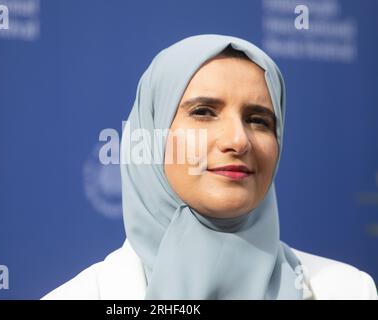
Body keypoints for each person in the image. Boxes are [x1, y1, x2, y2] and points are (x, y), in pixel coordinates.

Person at [43, 34, 377, 300]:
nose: (238, 140)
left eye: (258, 120)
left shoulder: (348, 291)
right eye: (203, 112)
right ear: (152, 133)